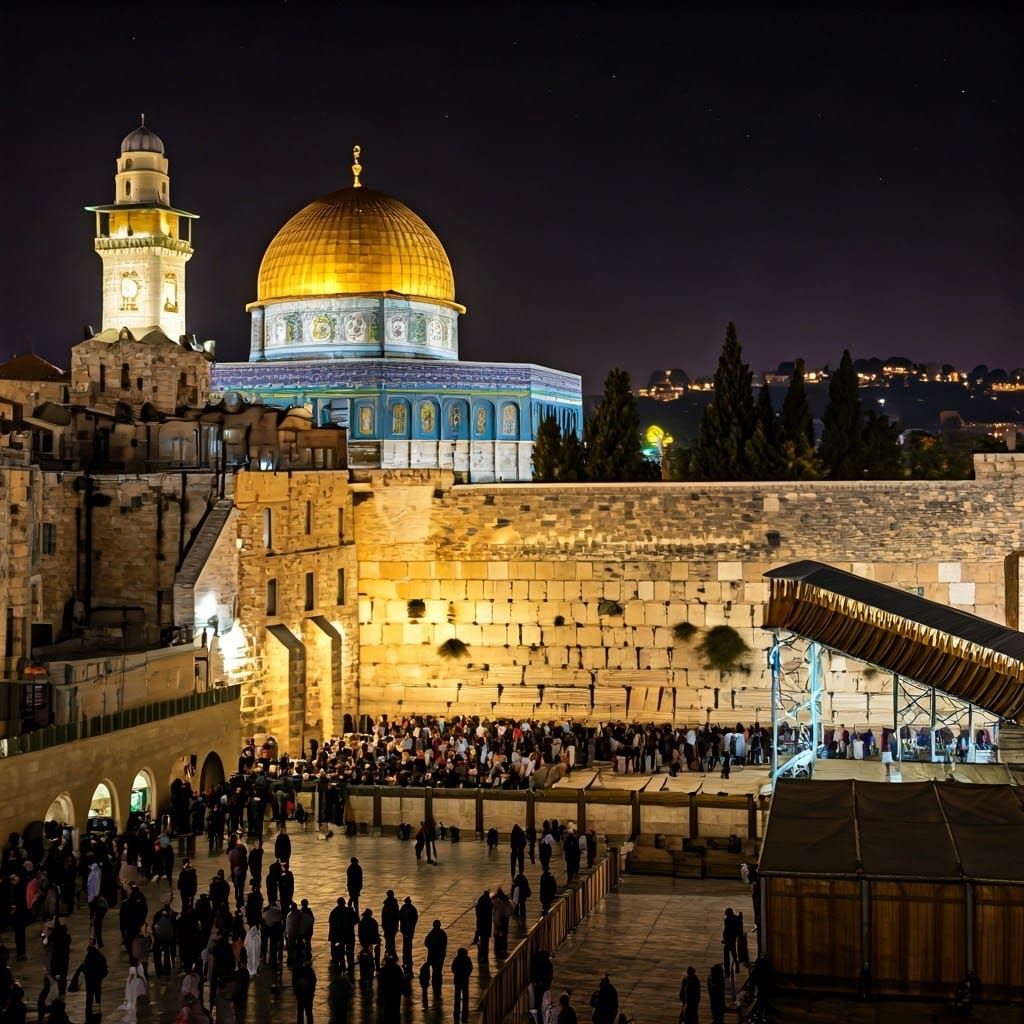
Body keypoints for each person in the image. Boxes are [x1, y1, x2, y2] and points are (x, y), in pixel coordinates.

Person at [77, 938, 108, 1024]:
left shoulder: (87, 957)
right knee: (97, 999)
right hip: (97, 982)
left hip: (89, 982)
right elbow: (105, 971)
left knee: (89, 999)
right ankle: (97, 1016)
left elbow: (84, 969)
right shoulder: (101, 957)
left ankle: (89, 1017)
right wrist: (99, 977)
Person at [424, 920, 448, 997]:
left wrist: (432, 946)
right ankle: (437, 982)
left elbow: (426, 942)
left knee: (436, 970)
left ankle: (436, 982)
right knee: (437, 970)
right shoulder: (441, 934)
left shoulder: (433, 933)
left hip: (435, 954)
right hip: (438, 955)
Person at [451, 947, 473, 1023]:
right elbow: (470, 968)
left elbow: (453, 969)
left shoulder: (456, 959)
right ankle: (465, 1010)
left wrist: (457, 974)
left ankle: (456, 1010)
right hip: (465, 980)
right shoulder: (467, 959)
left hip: (457, 980)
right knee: (465, 996)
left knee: (457, 996)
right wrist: (467, 974)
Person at [292, 959, 316, 1024]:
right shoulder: (310, 971)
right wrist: (312, 992)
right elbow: (313, 983)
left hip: (300, 995)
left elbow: (294, 984)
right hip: (308, 995)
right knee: (309, 1013)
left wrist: (296, 993)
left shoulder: (296, 971)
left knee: (300, 1013)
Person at [399, 896, 418, 972]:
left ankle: (406, 952)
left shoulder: (403, 908)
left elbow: (400, 917)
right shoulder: (413, 908)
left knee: (405, 941)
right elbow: (415, 918)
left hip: (405, 928)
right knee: (409, 941)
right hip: (410, 928)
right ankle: (408, 952)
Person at [722, 909, 742, 976]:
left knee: (727, 955)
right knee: (734, 953)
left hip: (729, 939)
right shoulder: (735, 918)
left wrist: (724, 937)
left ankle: (727, 971)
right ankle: (736, 966)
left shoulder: (728, 920)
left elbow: (726, 930)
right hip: (733, 938)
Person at [381, 891, 400, 960]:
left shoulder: (386, 904)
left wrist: (383, 924)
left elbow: (384, 916)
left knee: (389, 938)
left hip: (388, 925)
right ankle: (391, 950)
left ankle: (389, 950)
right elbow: (398, 915)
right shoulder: (395, 904)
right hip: (393, 925)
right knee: (391, 938)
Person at [473, 890, 493, 957]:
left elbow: (477, 912)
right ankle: (484, 950)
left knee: (482, 937)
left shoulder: (480, 900)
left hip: (481, 923)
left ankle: (481, 949)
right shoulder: (489, 901)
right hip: (486, 923)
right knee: (485, 939)